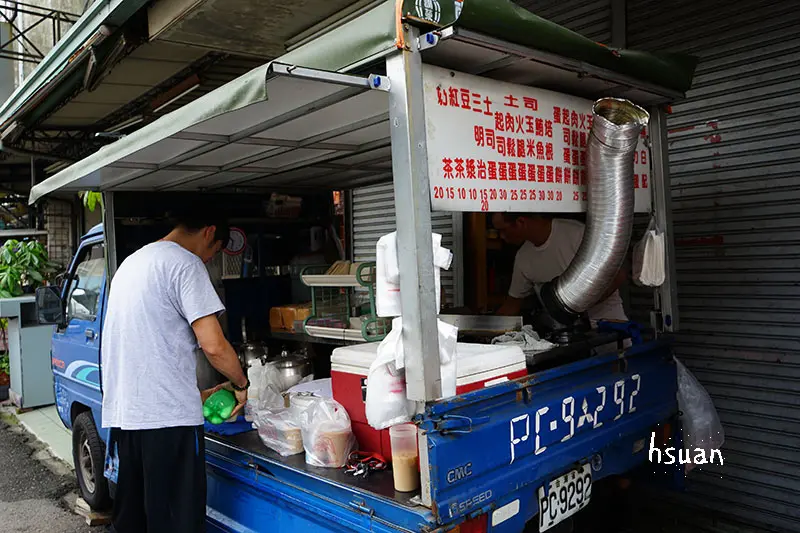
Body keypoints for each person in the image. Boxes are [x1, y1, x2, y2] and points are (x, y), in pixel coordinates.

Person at [101, 209, 249, 533]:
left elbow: (147, 348)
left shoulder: (132, 263)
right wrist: (241, 382)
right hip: (169, 425)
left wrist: (194, 394)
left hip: (129, 419)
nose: (210, 260)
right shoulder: (185, 263)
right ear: (209, 232)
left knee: (133, 520)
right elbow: (213, 345)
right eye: (215, 252)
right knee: (176, 520)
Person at [493, 213, 627, 325]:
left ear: (521, 222)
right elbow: (512, 305)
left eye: (502, 230)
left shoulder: (577, 233)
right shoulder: (523, 258)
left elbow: (617, 276)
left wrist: (577, 307)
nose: (502, 236)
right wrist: (487, 327)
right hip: (567, 337)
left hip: (609, 325)